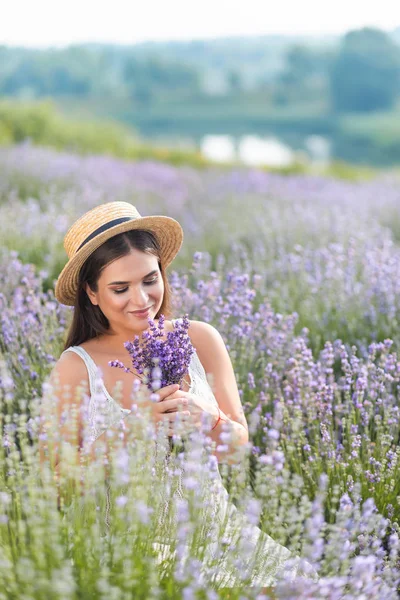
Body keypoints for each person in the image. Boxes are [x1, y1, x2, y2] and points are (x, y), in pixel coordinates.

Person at [41, 201, 312, 589]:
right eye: (121, 288)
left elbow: (236, 450)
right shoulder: (75, 367)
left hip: (214, 529)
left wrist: (208, 417)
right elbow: (55, 487)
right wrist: (133, 428)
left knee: (305, 588)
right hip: (124, 544)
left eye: (150, 280)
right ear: (92, 293)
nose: (141, 299)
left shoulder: (200, 339)